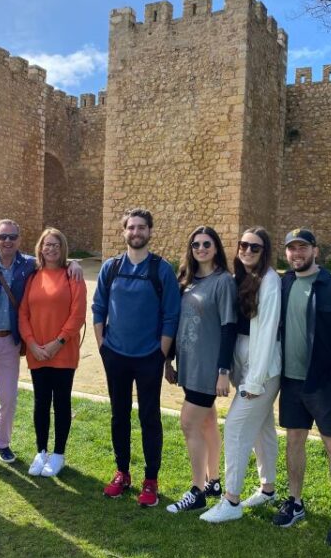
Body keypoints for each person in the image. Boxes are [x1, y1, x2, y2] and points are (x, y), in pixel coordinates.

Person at [0, 219, 82, 469]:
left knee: (8, 396)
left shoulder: (27, 266)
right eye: (2, 236)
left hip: (10, 341)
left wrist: (74, 264)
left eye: (12, 236)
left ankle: (3, 444)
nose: (7, 241)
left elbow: (60, 270)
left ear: (19, 239)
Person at [272, 228, 331, 549]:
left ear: (315, 251)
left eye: (302, 248)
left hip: (324, 384)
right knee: (294, 441)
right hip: (292, 382)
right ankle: (295, 501)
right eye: (291, 249)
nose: (297, 254)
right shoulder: (284, 284)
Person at [92, 208, 180, 507]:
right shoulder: (111, 267)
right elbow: (99, 307)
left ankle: (151, 479)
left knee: (149, 417)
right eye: (131, 227)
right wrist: (102, 345)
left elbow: (171, 314)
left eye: (142, 227)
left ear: (150, 232)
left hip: (149, 357)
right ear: (124, 231)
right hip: (115, 354)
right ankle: (122, 472)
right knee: (119, 415)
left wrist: (161, 353)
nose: (136, 232)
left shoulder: (161, 269)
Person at [200, 226, 282, 523]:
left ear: (265, 252)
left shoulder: (270, 282)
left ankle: (231, 500)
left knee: (235, 427)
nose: (247, 250)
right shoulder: (239, 278)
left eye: (255, 247)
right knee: (262, 429)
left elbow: (268, 334)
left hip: (263, 371)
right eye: (243, 245)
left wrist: (254, 382)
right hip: (247, 367)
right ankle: (269, 489)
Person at [164, 226, 236, 514]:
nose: (201, 248)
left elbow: (229, 327)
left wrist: (223, 370)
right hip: (188, 364)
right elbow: (175, 320)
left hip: (208, 368)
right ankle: (214, 480)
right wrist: (169, 360)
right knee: (206, 423)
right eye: (196, 244)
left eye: (207, 243)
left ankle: (197, 491)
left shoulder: (223, 282)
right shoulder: (188, 280)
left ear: (216, 247)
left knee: (189, 424)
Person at [18, 228, 87, 478]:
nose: (51, 249)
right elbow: (23, 313)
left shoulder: (72, 276)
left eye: (56, 244)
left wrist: (58, 342)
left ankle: (58, 454)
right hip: (37, 350)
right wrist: (32, 343)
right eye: (47, 245)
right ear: (40, 248)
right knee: (40, 402)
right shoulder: (33, 276)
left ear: (63, 248)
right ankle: (41, 451)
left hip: (63, 350)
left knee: (61, 402)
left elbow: (78, 314)